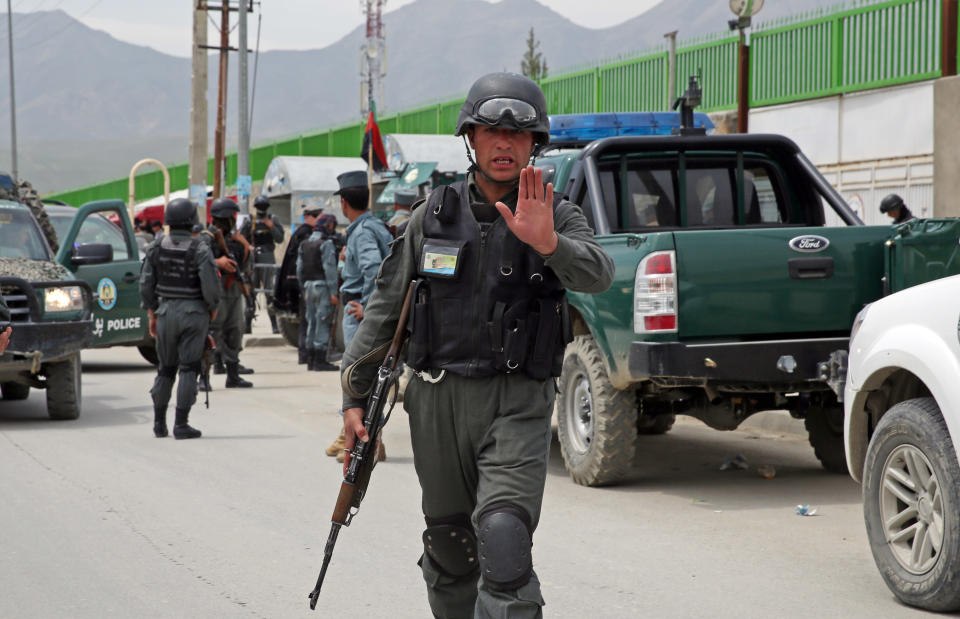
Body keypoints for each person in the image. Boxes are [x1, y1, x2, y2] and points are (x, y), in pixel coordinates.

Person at [339, 72, 614, 618]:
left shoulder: (555, 213)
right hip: (436, 402)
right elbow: (384, 310)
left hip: (517, 402)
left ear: (536, 144)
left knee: (504, 539)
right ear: (472, 137)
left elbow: (600, 273)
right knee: (449, 546)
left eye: (519, 135)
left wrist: (549, 243)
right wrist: (352, 396)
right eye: (491, 131)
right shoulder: (431, 216)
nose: (505, 143)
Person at [139, 198, 221, 439]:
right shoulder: (200, 249)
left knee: (165, 369)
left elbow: (146, 284)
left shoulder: (156, 247)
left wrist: (152, 312)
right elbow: (210, 284)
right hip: (194, 314)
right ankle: (181, 424)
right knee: (188, 367)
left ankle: (158, 423)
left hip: (165, 312)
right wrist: (212, 306)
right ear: (191, 221)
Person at [327, 170, 392, 463]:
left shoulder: (363, 231)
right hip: (360, 310)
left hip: (359, 313)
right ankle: (349, 436)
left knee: (355, 377)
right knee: (359, 378)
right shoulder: (370, 226)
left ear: (343, 203)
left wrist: (368, 308)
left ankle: (367, 444)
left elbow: (373, 268)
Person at [205, 197, 254, 388]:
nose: (235, 219)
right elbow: (197, 259)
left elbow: (243, 265)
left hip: (233, 290)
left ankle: (232, 375)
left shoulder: (234, 238)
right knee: (212, 333)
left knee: (235, 331)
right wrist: (217, 263)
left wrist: (244, 245)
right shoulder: (206, 236)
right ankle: (204, 377)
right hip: (216, 291)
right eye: (232, 216)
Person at [274, 204, 323, 365]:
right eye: (316, 216)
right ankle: (307, 354)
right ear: (308, 216)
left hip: (299, 283)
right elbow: (302, 263)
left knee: (306, 319)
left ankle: (306, 354)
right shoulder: (306, 234)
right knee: (308, 320)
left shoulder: (301, 233)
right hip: (303, 284)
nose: (318, 220)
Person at [297, 214, 340, 371]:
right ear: (328, 225)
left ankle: (310, 360)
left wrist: (304, 288)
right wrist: (334, 292)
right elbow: (329, 269)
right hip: (323, 288)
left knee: (311, 322)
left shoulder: (304, 244)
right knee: (322, 321)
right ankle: (320, 361)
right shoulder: (326, 244)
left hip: (308, 287)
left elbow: (299, 269)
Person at [240, 195, 285, 334]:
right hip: (254, 260)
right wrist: (249, 247)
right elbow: (242, 237)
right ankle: (248, 324)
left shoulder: (273, 219)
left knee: (269, 292)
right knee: (251, 292)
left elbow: (279, 238)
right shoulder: (249, 220)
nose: (261, 209)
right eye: (259, 206)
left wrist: (271, 227)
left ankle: (274, 325)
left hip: (267, 257)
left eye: (263, 206)